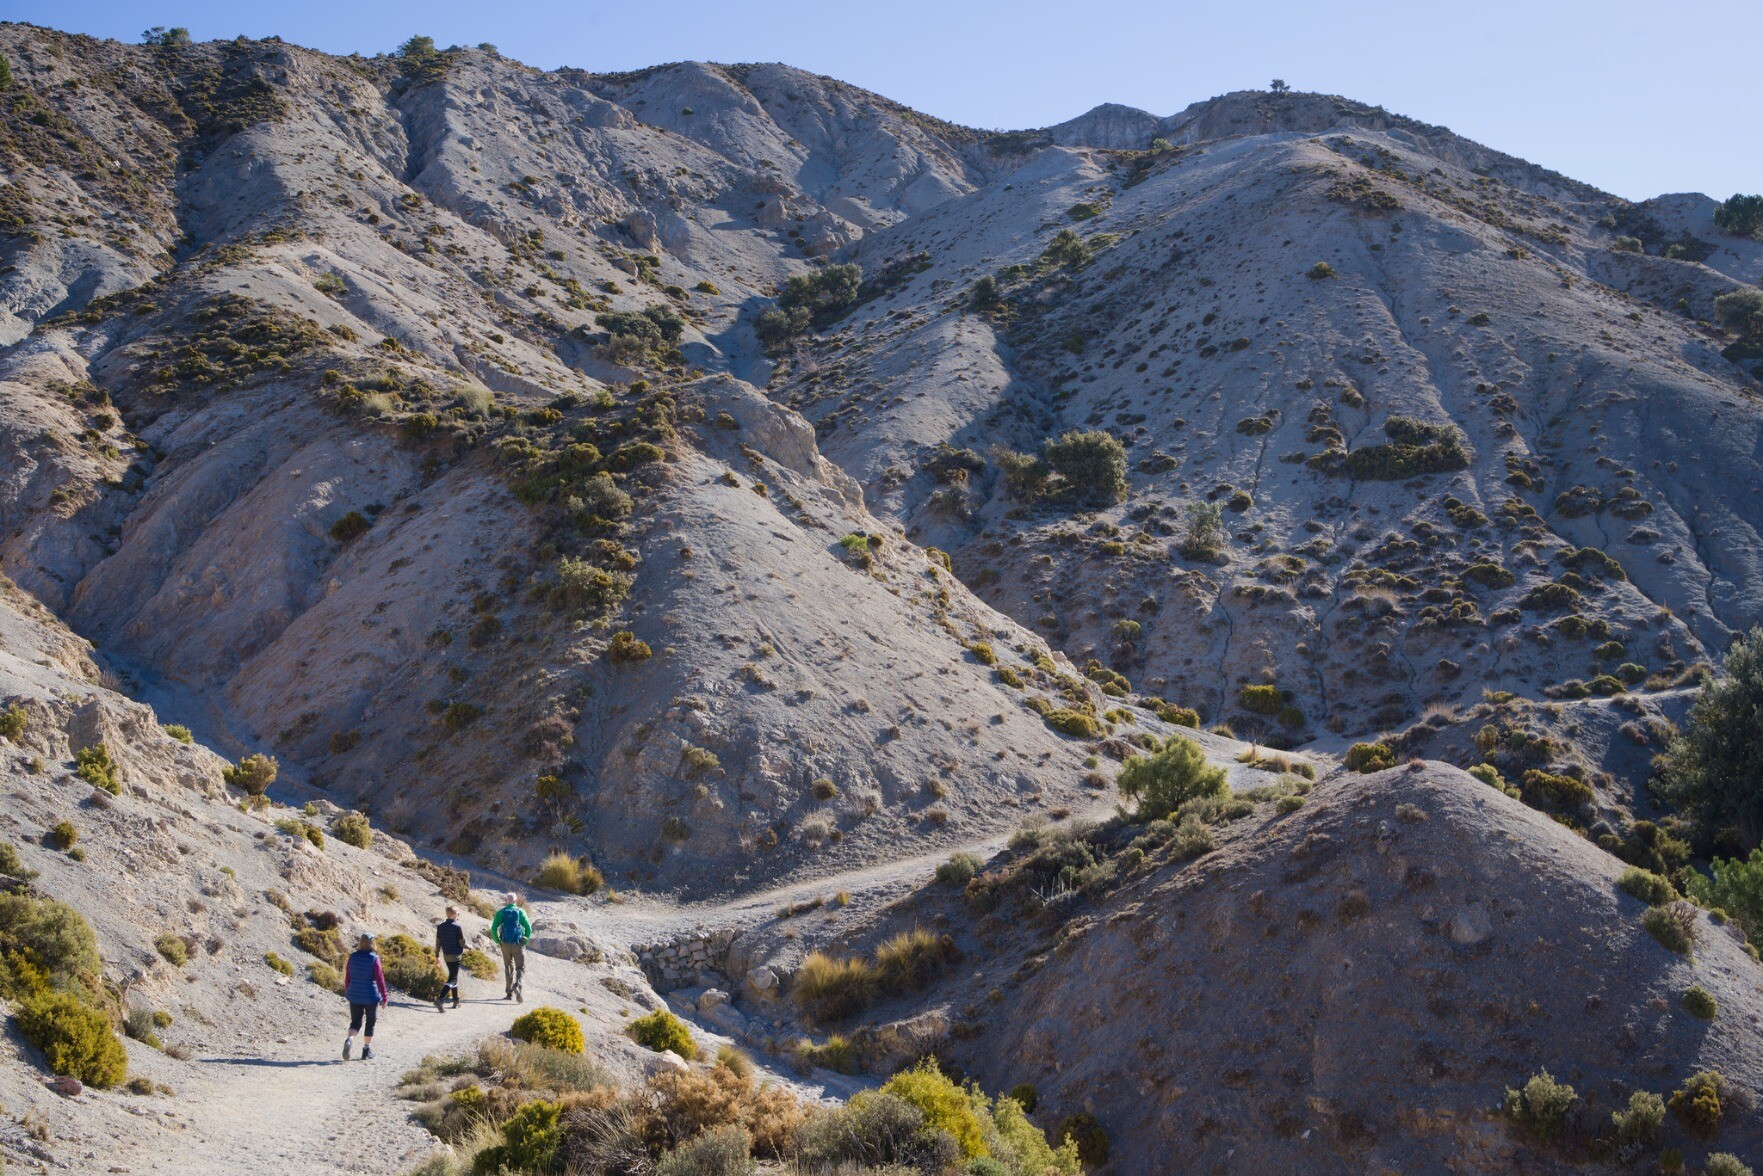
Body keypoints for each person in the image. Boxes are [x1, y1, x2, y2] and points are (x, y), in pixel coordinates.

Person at [342, 932, 388, 1060]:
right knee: (370, 1022)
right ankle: (366, 1050)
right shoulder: (374, 959)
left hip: (354, 994)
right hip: (371, 996)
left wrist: (347, 990)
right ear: (373, 943)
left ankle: (350, 1039)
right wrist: (384, 996)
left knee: (355, 1022)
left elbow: (348, 976)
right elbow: (380, 980)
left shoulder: (353, 957)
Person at [493, 892, 531, 1003]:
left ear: (506, 901)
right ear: (515, 901)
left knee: (508, 967)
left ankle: (509, 993)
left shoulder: (501, 912)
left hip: (505, 944)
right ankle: (518, 986)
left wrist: (497, 941)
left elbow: (493, 928)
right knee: (520, 967)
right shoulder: (521, 912)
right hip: (517, 943)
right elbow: (528, 928)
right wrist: (525, 940)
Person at [433, 906, 465, 1012]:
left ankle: (456, 1000)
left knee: (453, 976)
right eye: (457, 914)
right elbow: (462, 943)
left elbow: (438, 943)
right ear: (452, 915)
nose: (458, 916)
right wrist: (469, 946)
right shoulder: (457, 927)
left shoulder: (440, 927)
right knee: (452, 978)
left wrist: (437, 955)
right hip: (455, 956)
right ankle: (440, 999)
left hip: (446, 956)